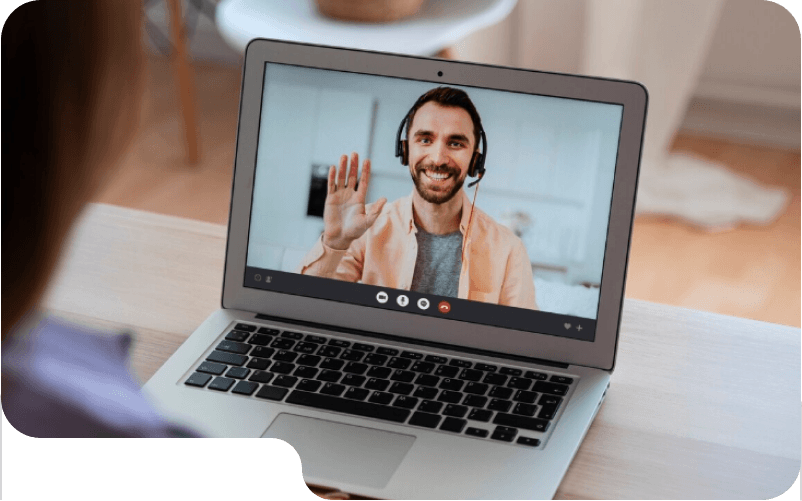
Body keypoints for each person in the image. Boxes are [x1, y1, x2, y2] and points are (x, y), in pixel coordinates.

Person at [298, 87, 538, 310]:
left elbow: (523, 341)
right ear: (405, 150)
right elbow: (302, 307)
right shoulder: (367, 228)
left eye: (455, 143)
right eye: (425, 140)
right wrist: (334, 242)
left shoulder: (509, 249)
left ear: (475, 160)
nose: (438, 158)